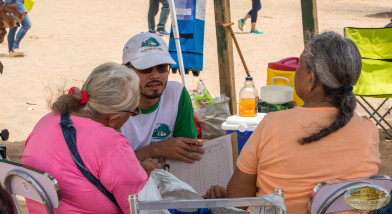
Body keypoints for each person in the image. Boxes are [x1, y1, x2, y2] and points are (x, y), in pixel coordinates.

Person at [206, 32, 381, 213]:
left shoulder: (272, 125)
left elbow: (237, 201)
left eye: (299, 65)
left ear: (311, 78)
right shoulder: (368, 130)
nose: (295, 71)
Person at [22, 62, 161, 213]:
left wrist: (135, 173)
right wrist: (143, 179)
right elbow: (141, 208)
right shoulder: (110, 142)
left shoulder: (46, 121)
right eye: (133, 111)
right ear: (114, 118)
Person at [121, 32, 204, 163]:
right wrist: (156, 150)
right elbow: (110, 167)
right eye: (145, 68)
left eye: (162, 67)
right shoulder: (114, 103)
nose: (155, 75)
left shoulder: (177, 94)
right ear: (126, 71)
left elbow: (189, 153)